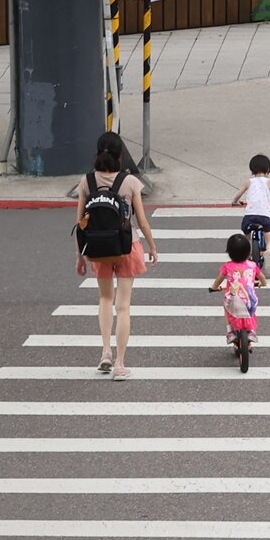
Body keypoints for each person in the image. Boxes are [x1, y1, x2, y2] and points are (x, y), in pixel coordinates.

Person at [74, 131, 158, 381]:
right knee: (123, 306)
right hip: (126, 246)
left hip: (98, 250)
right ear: (120, 155)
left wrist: (80, 256)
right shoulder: (130, 182)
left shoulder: (86, 182)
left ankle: (105, 352)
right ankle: (120, 364)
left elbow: (81, 223)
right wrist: (152, 246)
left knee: (104, 299)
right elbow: (140, 220)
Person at [210, 234, 267, 346]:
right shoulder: (253, 265)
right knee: (251, 310)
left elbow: (218, 280)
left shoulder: (227, 266)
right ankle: (251, 331)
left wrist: (214, 287)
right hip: (249, 299)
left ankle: (230, 331)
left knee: (227, 308)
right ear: (248, 252)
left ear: (229, 253)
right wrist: (262, 283)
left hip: (233, 300)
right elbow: (263, 279)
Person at [230, 154, 270, 267]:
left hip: (249, 216)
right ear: (268, 169)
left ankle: (246, 253)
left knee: (246, 237)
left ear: (251, 170)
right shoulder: (269, 182)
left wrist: (235, 202)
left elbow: (237, 195)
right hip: (264, 217)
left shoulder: (248, 182)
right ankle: (268, 252)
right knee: (269, 239)